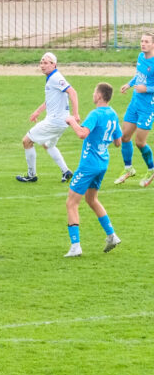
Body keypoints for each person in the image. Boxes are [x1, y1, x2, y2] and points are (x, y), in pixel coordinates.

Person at [63, 82, 122, 257]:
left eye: (94, 92)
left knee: (71, 203)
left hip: (89, 165)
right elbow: (118, 142)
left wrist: (71, 121)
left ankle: (75, 246)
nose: (93, 95)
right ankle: (112, 235)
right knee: (91, 199)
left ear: (99, 96)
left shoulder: (96, 114)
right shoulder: (113, 114)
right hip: (103, 163)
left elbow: (82, 134)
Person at [15, 52, 79, 183]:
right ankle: (66, 171)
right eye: (41, 63)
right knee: (47, 145)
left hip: (54, 121)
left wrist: (76, 114)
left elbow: (72, 92)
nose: (42, 65)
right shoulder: (52, 78)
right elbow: (51, 99)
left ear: (54, 65)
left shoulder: (56, 78)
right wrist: (37, 112)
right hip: (61, 122)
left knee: (26, 141)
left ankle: (31, 175)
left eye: (45, 63)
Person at [113, 32, 154, 186]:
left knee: (140, 142)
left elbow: (147, 85)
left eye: (147, 41)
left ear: (153, 44)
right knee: (124, 137)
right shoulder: (140, 56)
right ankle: (128, 169)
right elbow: (139, 75)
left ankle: (151, 169)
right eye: (142, 41)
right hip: (134, 103)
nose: (143, 44)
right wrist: (129, 84)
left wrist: (147, 89)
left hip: (148, 108)